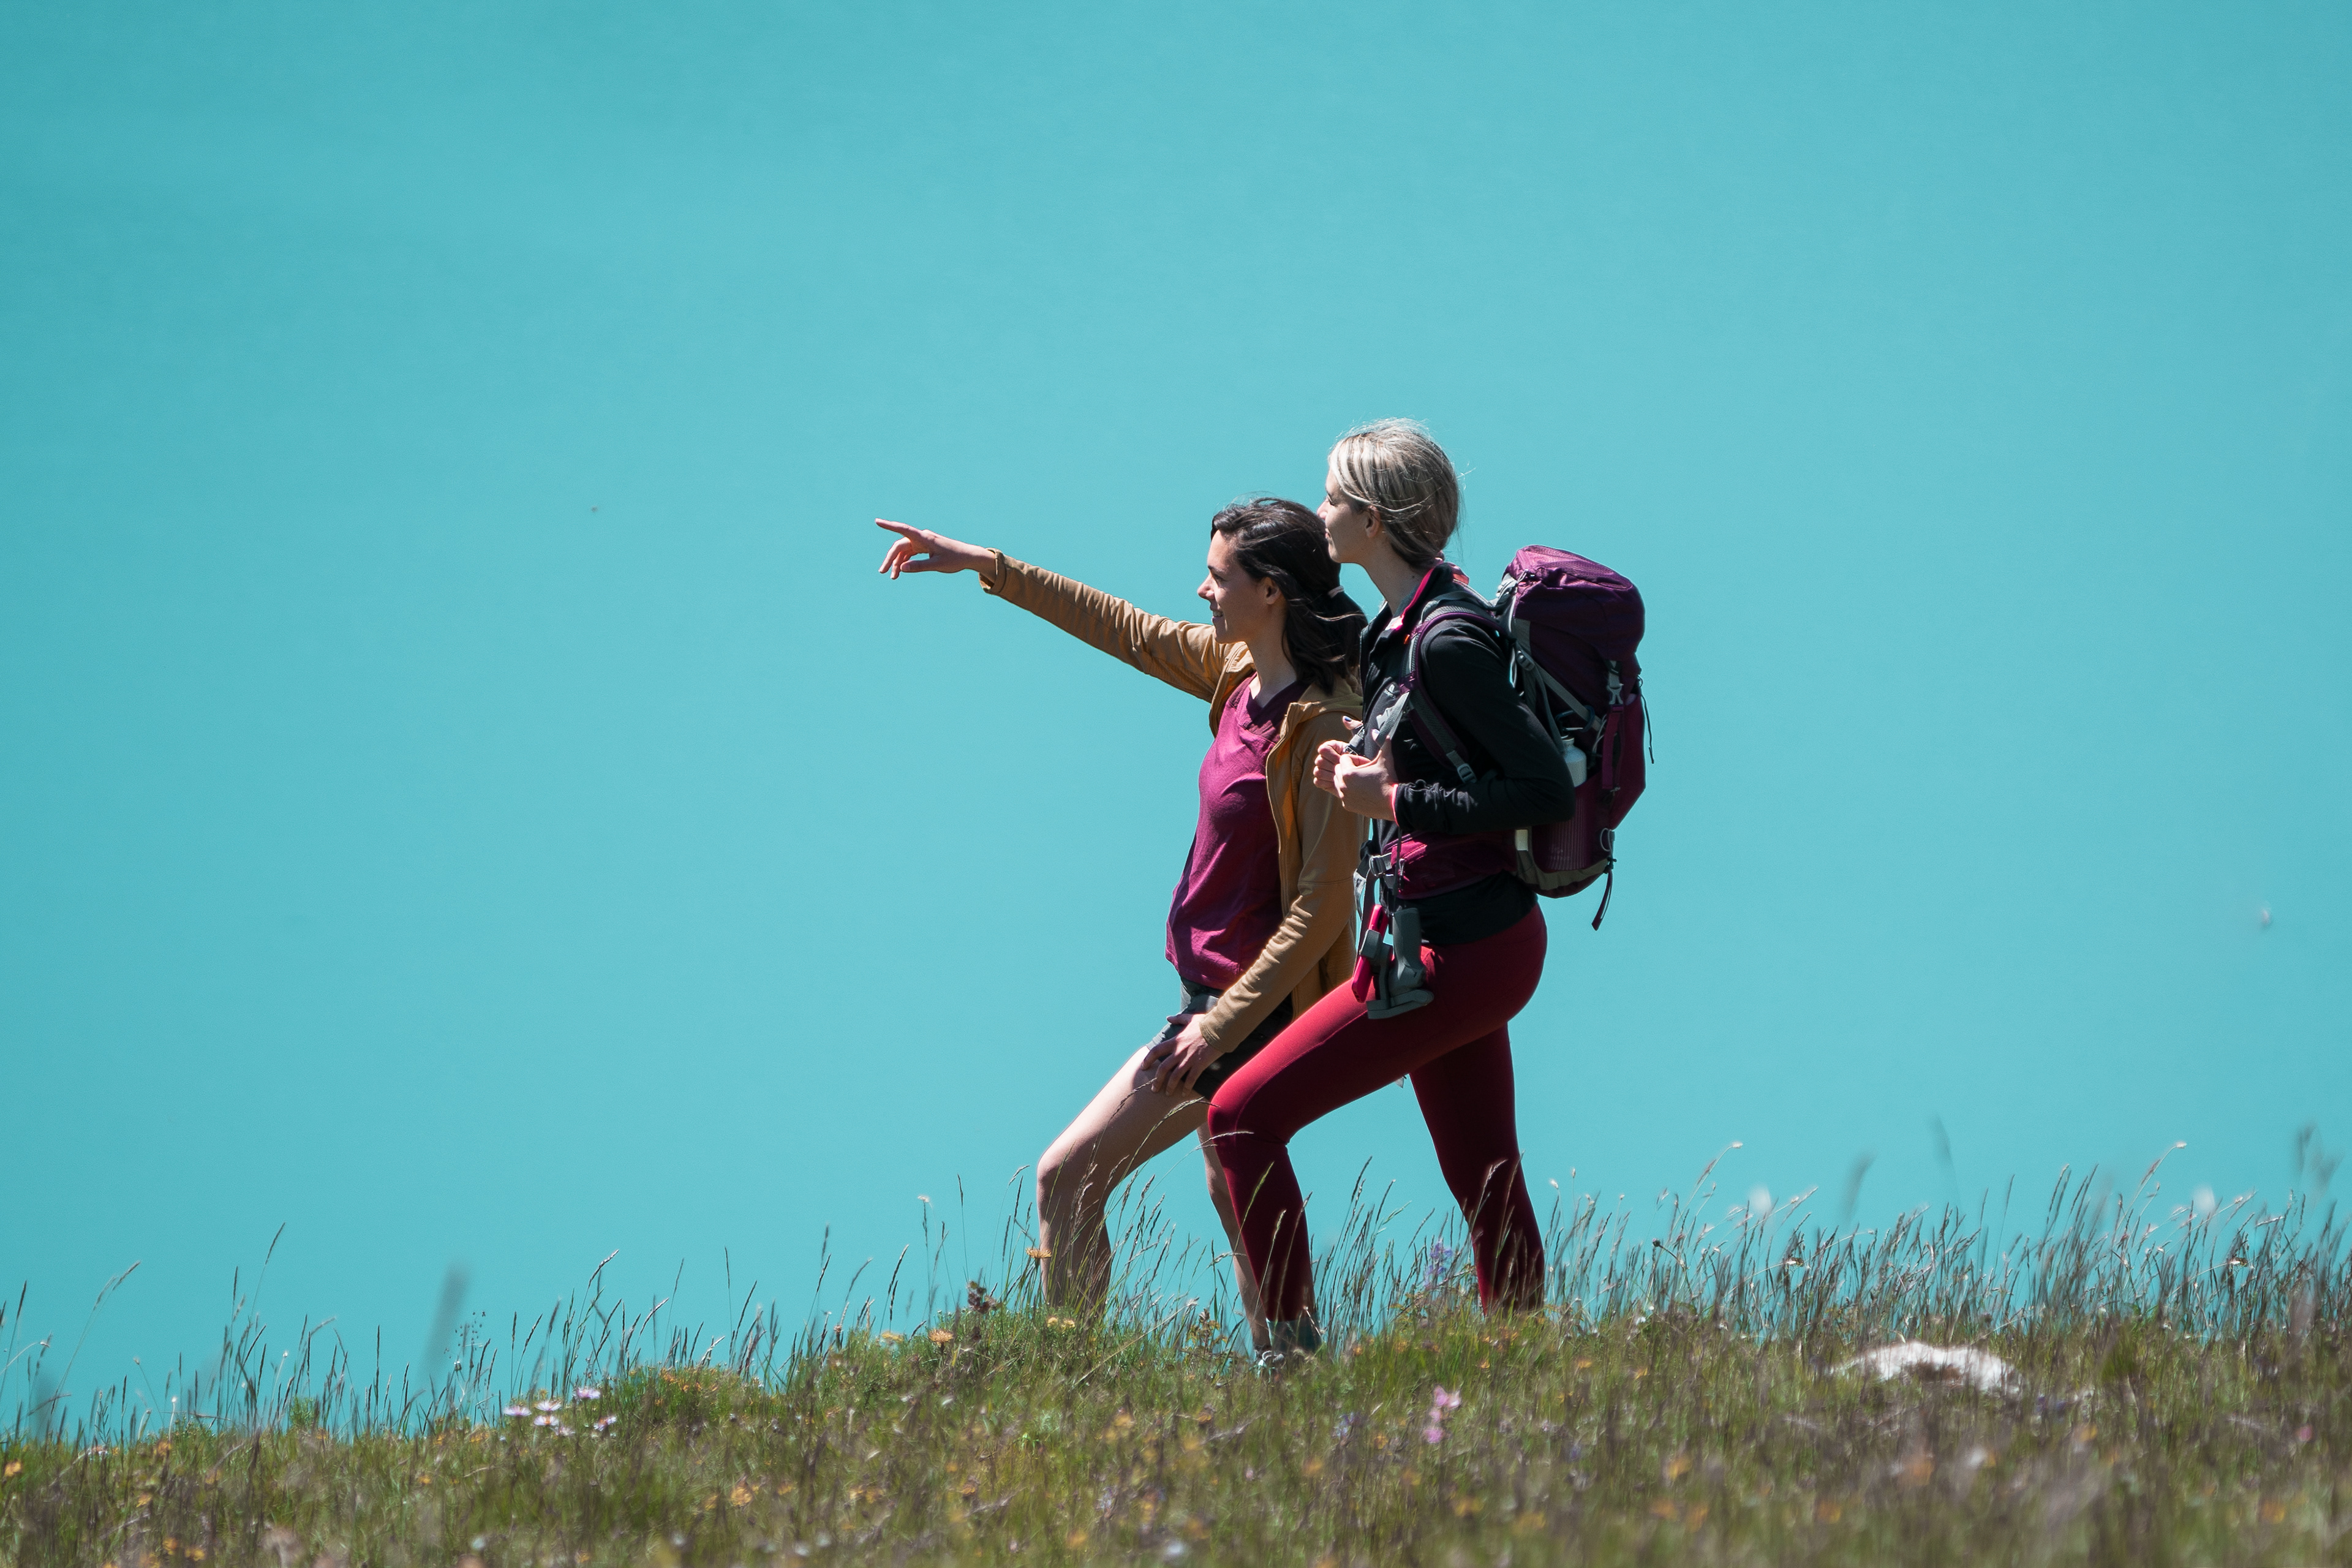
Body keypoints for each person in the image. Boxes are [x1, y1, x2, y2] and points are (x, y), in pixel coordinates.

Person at [874, 501, 1365, 1352]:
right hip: (1213, 1003)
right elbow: (1126, 628)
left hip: (1255, 1009)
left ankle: (1069, 1373)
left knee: (1068, 1178)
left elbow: (1321, 907)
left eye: (1218, 577)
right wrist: (986, 564)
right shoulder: (1238, 673)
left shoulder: (1322, 722)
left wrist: (1220, 1027)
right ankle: (1294, 1381)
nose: (1202, 591)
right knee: (1235, 1196)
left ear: (1273, 592)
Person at [1202, 420, 1578, 1361]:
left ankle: (1289, 1364)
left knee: (1238, 1118)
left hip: (1465, 948)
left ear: (1370, 518)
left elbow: (1541, 789)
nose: (1321, 510)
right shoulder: (1396, 633)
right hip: (1433, 939)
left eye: (1332, 498)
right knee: (1486, 1174)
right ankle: (1525, 1367)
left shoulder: (1449, 638)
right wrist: (1361, 764)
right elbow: (1434, 763)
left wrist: (1394, 795)